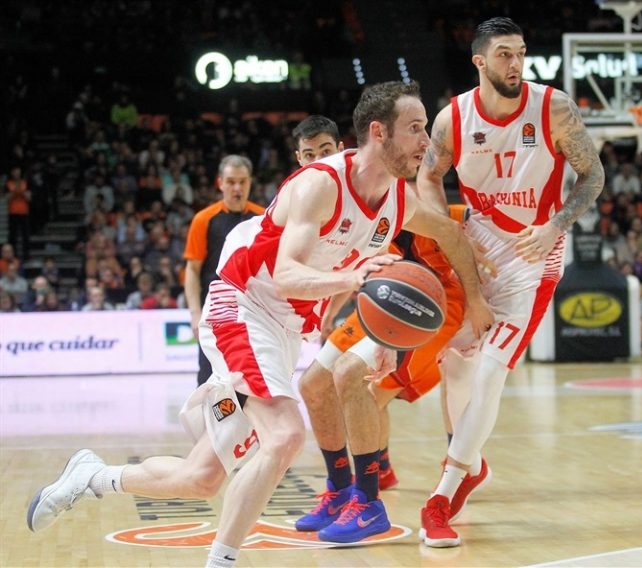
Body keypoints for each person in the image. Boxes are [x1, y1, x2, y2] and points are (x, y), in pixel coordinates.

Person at [26, 81, 493, 568]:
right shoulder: (320, 184)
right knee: (286, 435)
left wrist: (467, 304)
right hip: (243, 303)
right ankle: (222, 562)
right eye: (415, 128)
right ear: (379, 132)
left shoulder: (399, 201)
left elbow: (449, 233)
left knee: (202, 477)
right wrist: (354, 279)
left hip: (284, 329)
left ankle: (92, 476)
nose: (426, 141)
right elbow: (288, 272)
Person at [415, 17, 605, 547]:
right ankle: (472, 465)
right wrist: (449, 231)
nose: (515, 63)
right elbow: (427, 175)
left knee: (490, 371)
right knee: (455, 360)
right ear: (479, 61)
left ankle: (443, 494)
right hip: (477, 242)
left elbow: (593, 175)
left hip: (533, 251)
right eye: (503, 54)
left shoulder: (554, 108)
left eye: (520, 52)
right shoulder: (453, 118)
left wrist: (555, 226)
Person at [291, 115, 478, 541]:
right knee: (313, 384)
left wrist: (480, 300)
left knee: (356, 381)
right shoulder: (329, 198)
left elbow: (457, 230)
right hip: (380, 298)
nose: (320, 161)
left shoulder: (398, 195)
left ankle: (369, 501)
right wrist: (328, 312)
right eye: (310, 155)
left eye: (326, 151)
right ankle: (340, 489)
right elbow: (358, 264)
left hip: (426, 304)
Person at [183, 155, 265, 386]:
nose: (237, 188)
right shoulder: (203, 220)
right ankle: (211, 412)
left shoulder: (263, 219)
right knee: (210, 376)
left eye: (242, 182)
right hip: (214, 311)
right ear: (220, 183)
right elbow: (192, 270)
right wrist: (195, 313)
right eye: (231, 182)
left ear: (250, 182)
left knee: (252, 378)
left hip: (253, 311)